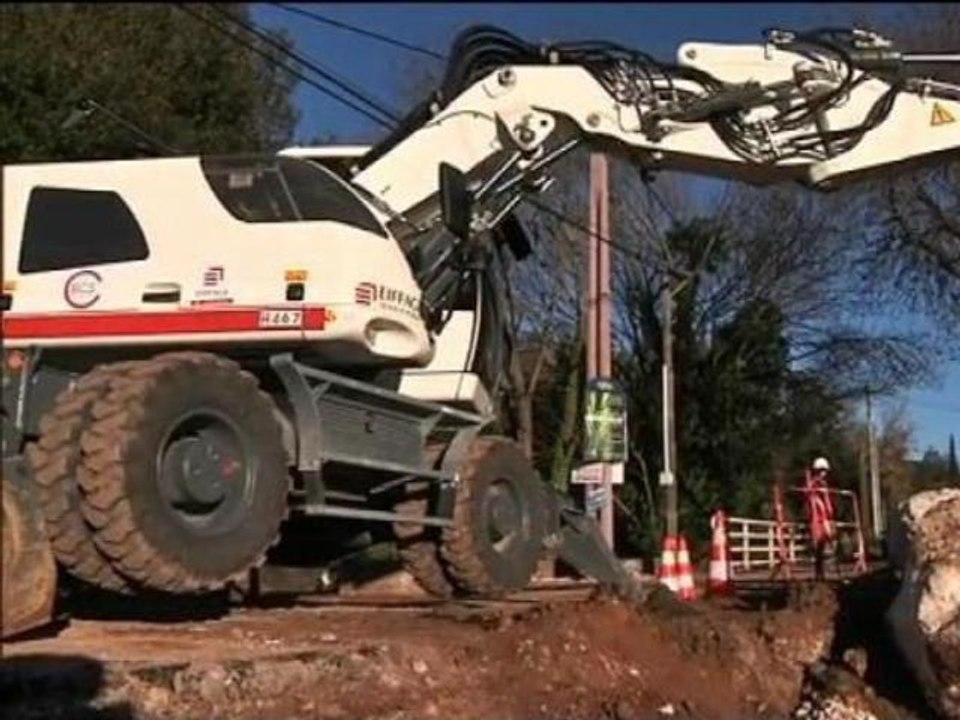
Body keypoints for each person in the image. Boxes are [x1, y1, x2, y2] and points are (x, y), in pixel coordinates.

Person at [807, 457, 836, 580]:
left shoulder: (823, 484)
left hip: (823, 517)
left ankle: (823, 571)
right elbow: (814, 500)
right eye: (822, 471)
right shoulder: (814, 484)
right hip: (817, 517)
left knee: (826, 542)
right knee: (819, 544)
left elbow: (826, 500)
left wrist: (829, 511)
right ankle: (819, 573)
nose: (824, 473)